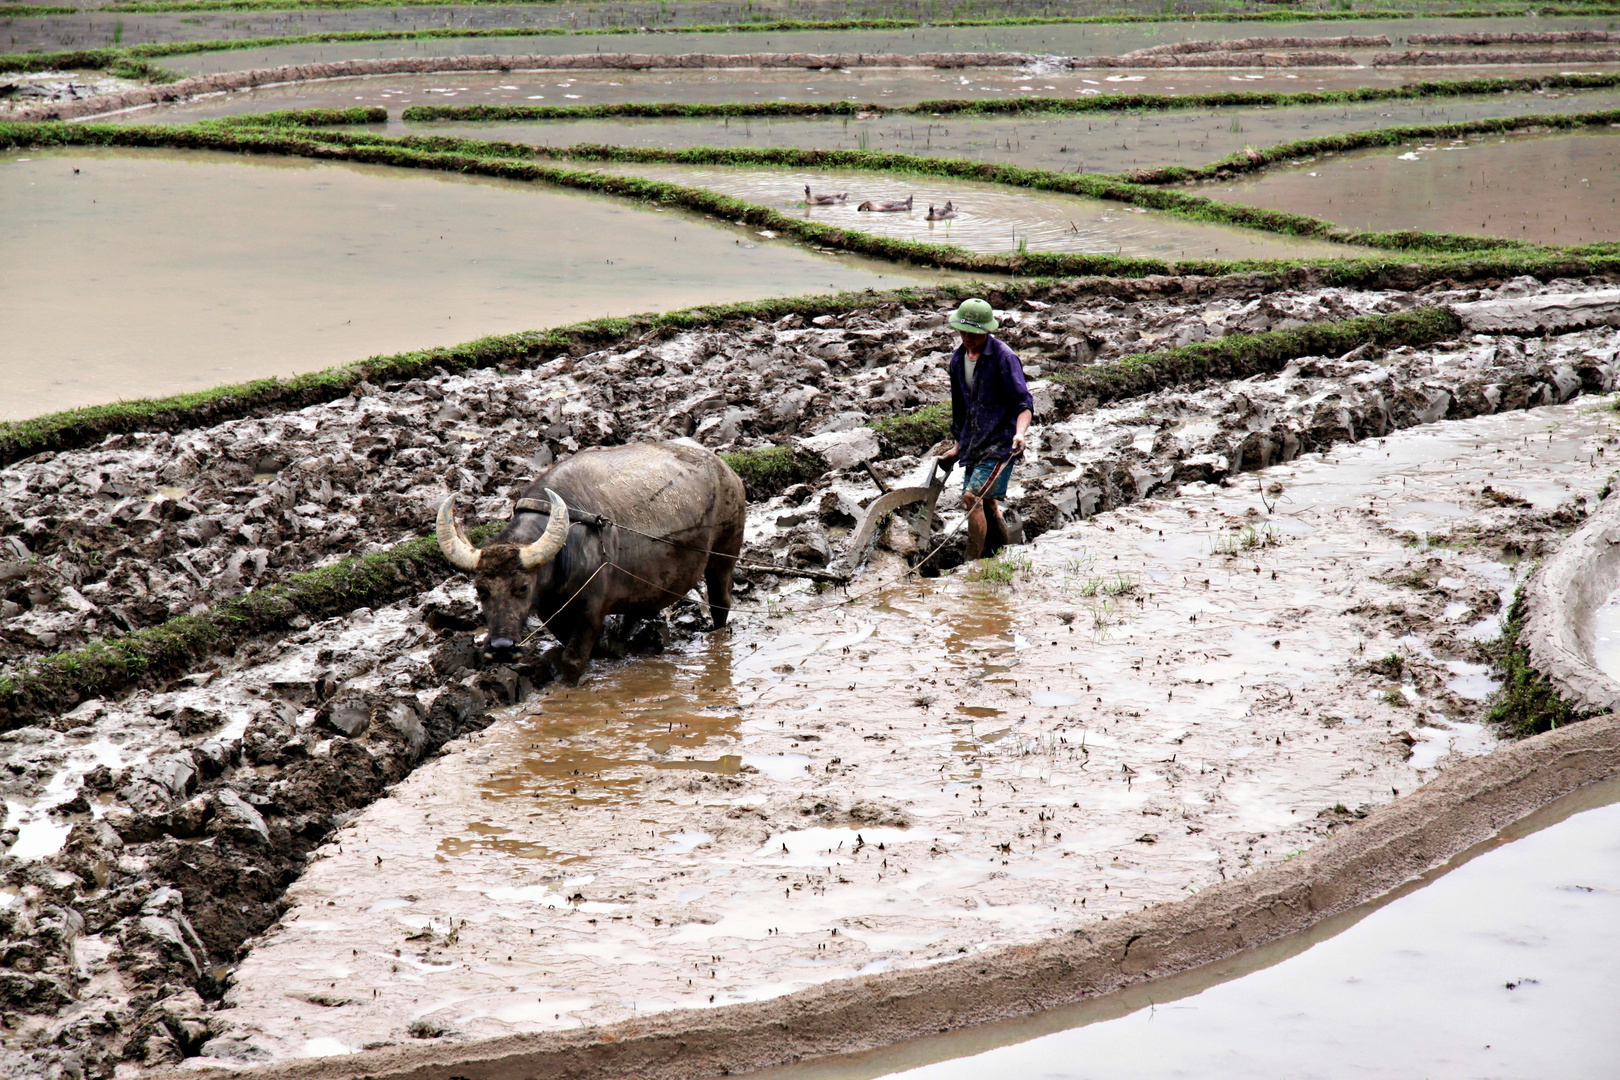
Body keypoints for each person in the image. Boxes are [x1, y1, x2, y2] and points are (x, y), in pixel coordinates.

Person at [938, 298, 1033, 561]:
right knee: (988, 502)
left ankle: (973, 563)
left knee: (972, 498)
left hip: (1000, 442)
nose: (967, 337)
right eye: (963, 331)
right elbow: (960, 408)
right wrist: (958, 445)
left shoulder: (1004, 358)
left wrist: (1020, 433)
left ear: (987, 331)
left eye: (974, 333)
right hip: (974, 443)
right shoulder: (958, 359)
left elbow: (1023, 403)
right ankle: (999, 557)